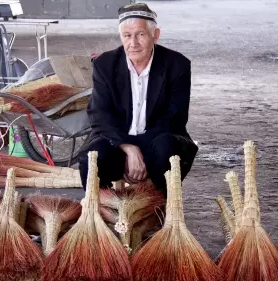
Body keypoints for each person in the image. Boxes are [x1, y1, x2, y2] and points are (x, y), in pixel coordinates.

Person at [78, 2, 198, 193]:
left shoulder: (177, 65)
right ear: (121, 37)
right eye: (127, 35)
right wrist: (127, 147)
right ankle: (98, 211)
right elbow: (99, 113)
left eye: (140, 34)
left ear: (155, 35)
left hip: (156, 142)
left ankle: (161, 209)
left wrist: (139, 149)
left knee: (167, 148)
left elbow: (174, 117)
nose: (133, 43)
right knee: (91, 157)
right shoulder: (105, 64)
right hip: (117, 141)